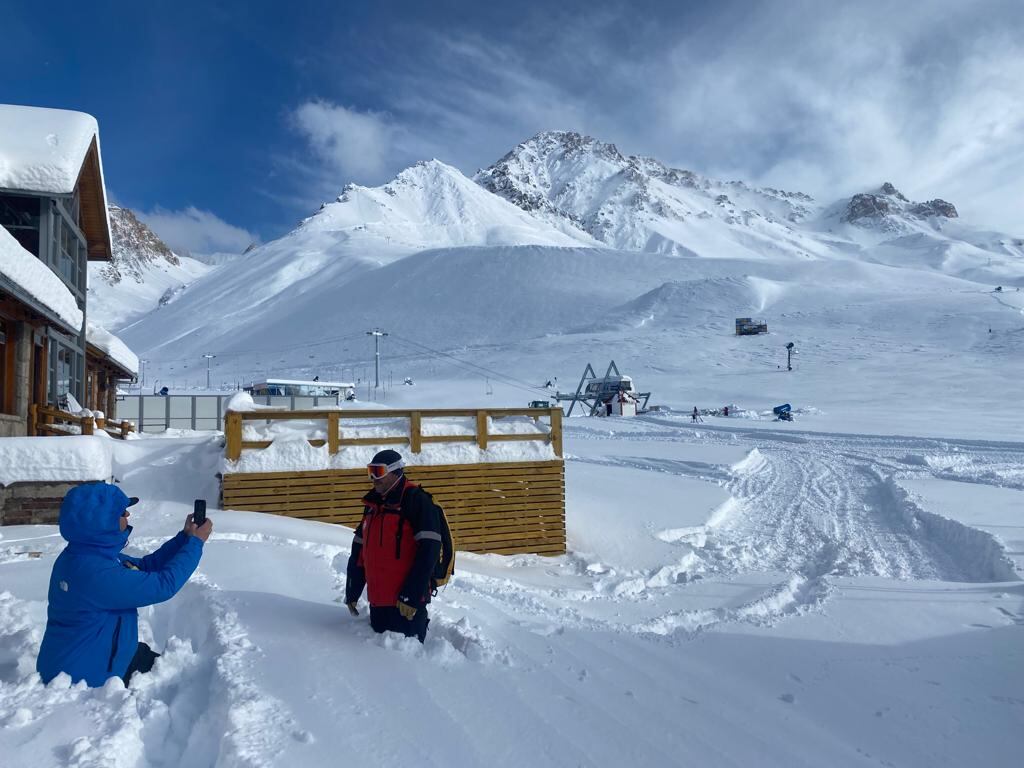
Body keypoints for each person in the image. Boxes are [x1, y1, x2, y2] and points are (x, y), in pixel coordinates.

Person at [37, 482, 212, 687]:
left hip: (105, 651)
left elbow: (146, 566)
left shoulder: (89, 556)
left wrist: (184, 538)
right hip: (84, 678)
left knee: (177, 675)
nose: (127, 515)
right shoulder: (93, 573)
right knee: (182, 685)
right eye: (122, 512)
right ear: (101, 522)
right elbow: (163, 585)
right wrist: (196, 543)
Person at [345, 450, 443, 643]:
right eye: (370, 471)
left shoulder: (417, 501)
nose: (373, 478)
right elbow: (360, 550)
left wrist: (411, 595)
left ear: (396, 471)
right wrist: (352, 590)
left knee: (408, 660)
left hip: (406, 605)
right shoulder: (373, 505)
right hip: (378, 602)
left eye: (378, 471)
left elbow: (429, 552)